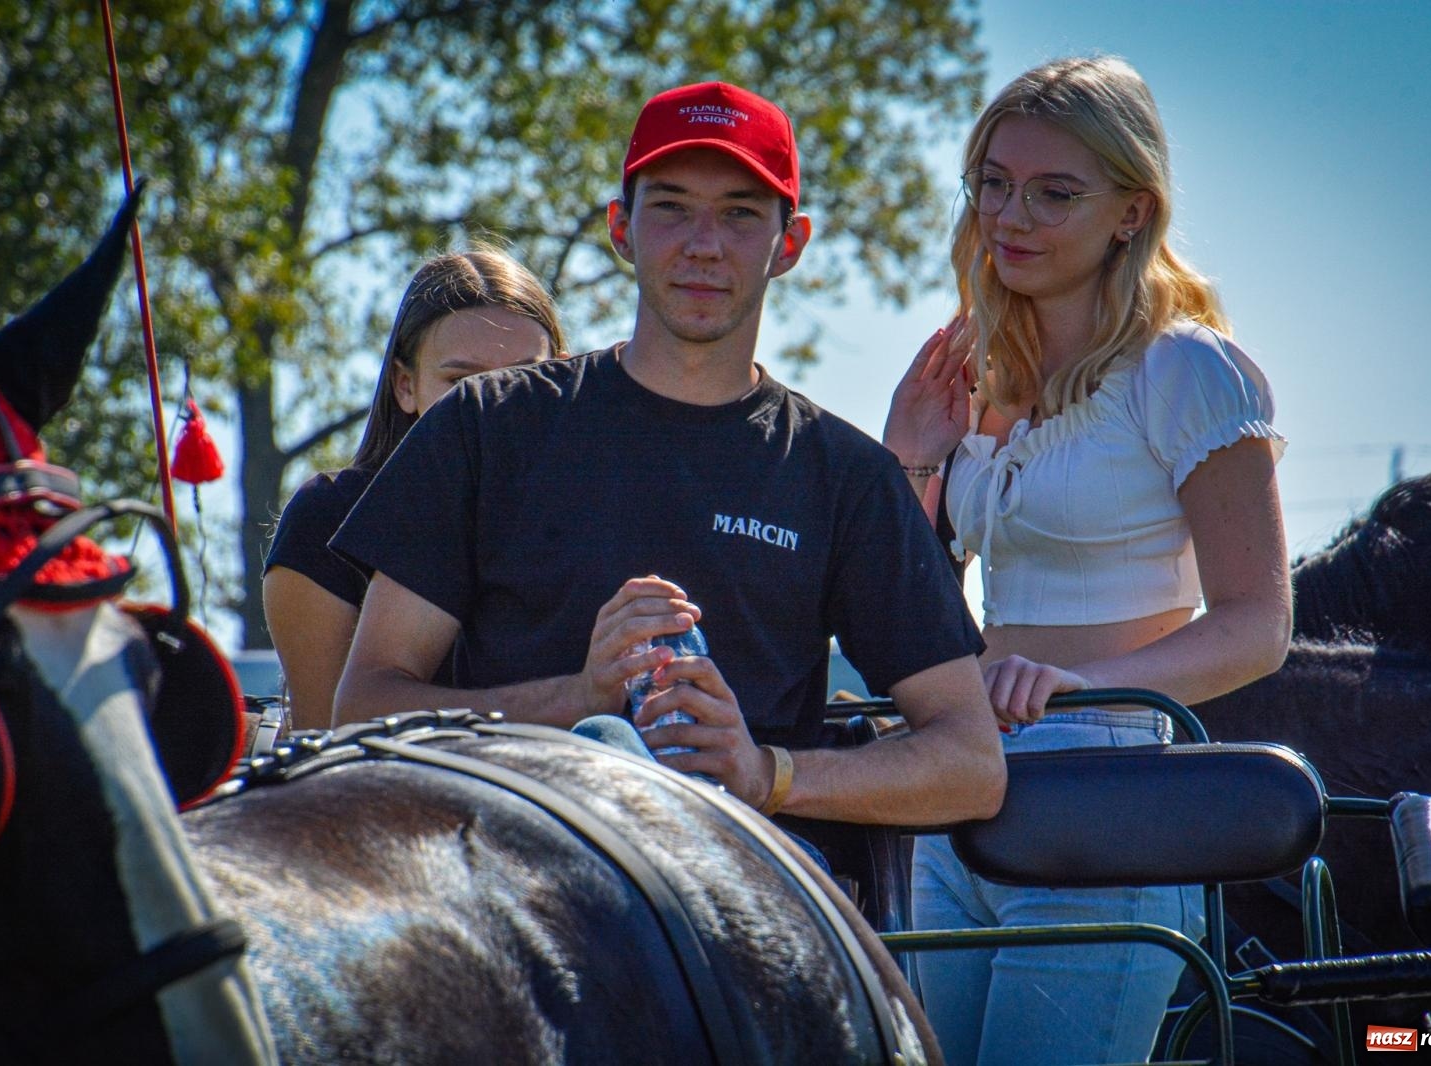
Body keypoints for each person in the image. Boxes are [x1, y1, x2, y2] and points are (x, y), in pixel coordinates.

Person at [331, 80, 1005, 827]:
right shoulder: (485, 427)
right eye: (672, 208)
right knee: (605, 739)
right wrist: (577, 700)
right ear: (622, 228)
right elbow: (364, 708)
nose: (703, 245)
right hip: (513, 870)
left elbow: (971, 766)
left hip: (742, 895)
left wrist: (764, 775)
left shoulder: (842, 475)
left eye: (741, 215)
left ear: (791, 243)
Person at [883, 56, 1291, 1065]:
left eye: (1055, 192)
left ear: (1129, 211)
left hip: (1111, 806)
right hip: (959, 789)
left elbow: (1258, 627)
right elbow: (911, 615)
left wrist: (1074, 685)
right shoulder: (971, 372)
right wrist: (905, 459)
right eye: (993, 183)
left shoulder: (1187, 369)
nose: (1010, 215)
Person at [263, 248, 565, 730]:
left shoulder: (597, 509)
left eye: (522, 379)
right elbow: (325, 755)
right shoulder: (327, 516)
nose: (492, 408)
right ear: (406, 385)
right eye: (462, 382)